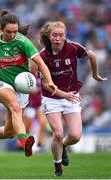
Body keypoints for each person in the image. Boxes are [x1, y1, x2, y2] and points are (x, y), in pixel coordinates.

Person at [0, 9, 57, 157]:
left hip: (22, 87)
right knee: (15, 107)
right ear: (1, 28)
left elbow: (41, 63)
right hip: (2, 83)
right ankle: (25, 142)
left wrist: (49, 80)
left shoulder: (23, 42)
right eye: (9, 32)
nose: (12, 35)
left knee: (9, 131)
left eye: (15, 31)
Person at [39, 21, 107, 176]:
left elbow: (92, 55)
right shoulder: (43, 55)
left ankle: (62, 146)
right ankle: (57, 166)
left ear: (65, 36)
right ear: (49, 37)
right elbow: (45, 83)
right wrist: (64, 95)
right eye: (54, 35)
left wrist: (95, 74)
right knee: (57, 132)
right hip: (51, 98)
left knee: (75, 136)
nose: (57, 38)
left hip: (72, 96)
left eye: (60, 35)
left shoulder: (73, 48)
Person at [23, 61, 47, 152]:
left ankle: (39, 144)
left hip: (39, 104)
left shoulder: (42, 75)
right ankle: (25, 143)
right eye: (32, 63)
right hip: (30, 104)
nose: (33, 65)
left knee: (43, 123)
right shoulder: (27, 75)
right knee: (27, 126)